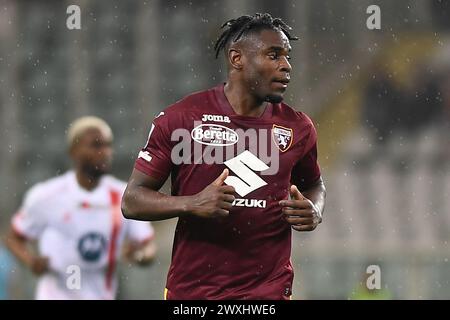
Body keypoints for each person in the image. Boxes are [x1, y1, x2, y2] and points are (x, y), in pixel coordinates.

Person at [122, 13, 326, 300]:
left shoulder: (298, 127)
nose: (286, 66)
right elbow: (132, 201)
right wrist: (192, 203)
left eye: (287, 56)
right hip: (194, 293)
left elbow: (315, 184)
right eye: (273, 55)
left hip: (268, 293)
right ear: (237, 59)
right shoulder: (181, 119)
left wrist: (315, 208)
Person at [4, 116, 156, 300]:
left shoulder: (124, 195)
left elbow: (148, 247)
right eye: (96, 145)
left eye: (108, 145)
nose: (105, 152)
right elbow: (13, 238)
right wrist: (32, 262)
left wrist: (139, 255)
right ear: (74, 151)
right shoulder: (46, 196)